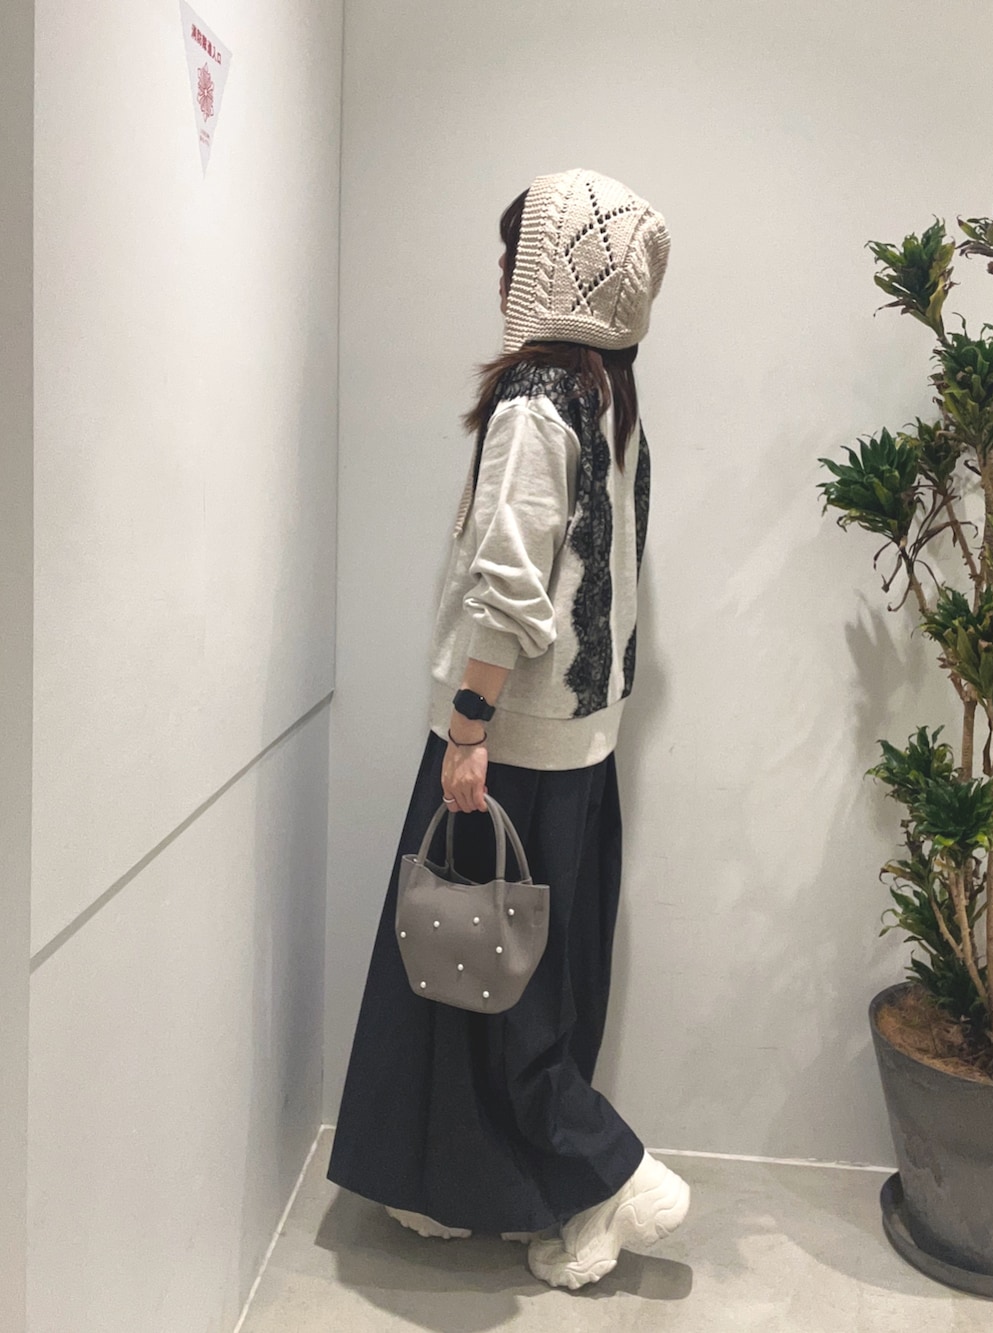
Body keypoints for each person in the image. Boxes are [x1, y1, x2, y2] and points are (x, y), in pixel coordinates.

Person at [326, 167, 690, 1290]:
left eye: (514, 252)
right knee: (523, 977)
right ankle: (481, 1190)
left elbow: (509, 587)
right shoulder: (608, 395)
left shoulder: (537, 401)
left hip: (512, 739)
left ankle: (613, 1177)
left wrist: (469, 726)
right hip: (577, 742)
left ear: (558, 271)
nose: (501, 275)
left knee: (491, 990)